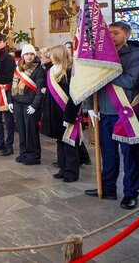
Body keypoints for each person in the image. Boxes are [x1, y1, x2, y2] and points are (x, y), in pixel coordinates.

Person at [84, 21, 139, 210]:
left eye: (116, 33)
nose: (111, 36)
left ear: (126, 35)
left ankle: (130, 193)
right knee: (108, 154)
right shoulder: (102, 55)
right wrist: (90, 106)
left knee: (130, 156)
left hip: (125, 113)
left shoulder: (137, 56)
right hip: (104, 112)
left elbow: (131, 81)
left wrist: (108, 72)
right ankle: (108, 187)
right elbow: (92, 83)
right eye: (109, 32)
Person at [41, 45, 82, 182]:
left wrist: (70, 115)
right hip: (54, 112)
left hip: (67, 112)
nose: (50, 57)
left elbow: (75, 95)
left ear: (59, 55)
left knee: (70, 143)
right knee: (60, 141)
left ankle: (71, 172)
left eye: (52, 54)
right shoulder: (51, 70)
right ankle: (62, 168)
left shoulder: (70, 71)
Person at [10, 44, 46, 165]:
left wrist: (34, 106)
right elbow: (12, 84)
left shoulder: (39, 70)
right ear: (23, 56)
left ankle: (33, 156)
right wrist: (10, 101)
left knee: (31, 131)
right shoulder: (18, 68)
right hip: (18, 103)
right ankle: (24, 153)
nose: (29, 56)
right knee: (21, 130)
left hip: (30, 105)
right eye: (26, 54)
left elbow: (40, 90)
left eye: (31, 54)